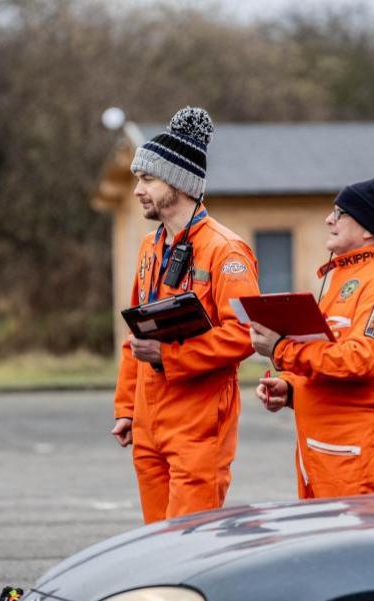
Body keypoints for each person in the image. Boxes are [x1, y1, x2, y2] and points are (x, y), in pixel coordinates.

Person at [112, 106, 260, 523]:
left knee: (189, 549)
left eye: (147, 179)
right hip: (148, 424)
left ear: (178, 183)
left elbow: (245, 333)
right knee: (155, 548)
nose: (138, 189)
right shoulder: (150, 246)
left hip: (198, 427)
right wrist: (126, 409)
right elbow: (135, 333)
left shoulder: (225, 250)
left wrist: (171, 357)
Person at [250, 176, 374, 499]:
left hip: (359, 461)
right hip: (324, 456)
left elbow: (358, 361)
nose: (329, 219)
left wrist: (280, 349)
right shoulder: (345, 277)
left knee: (361, 548)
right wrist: (290, 389)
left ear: (368, 228)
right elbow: (326, 353)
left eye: (340, 213)